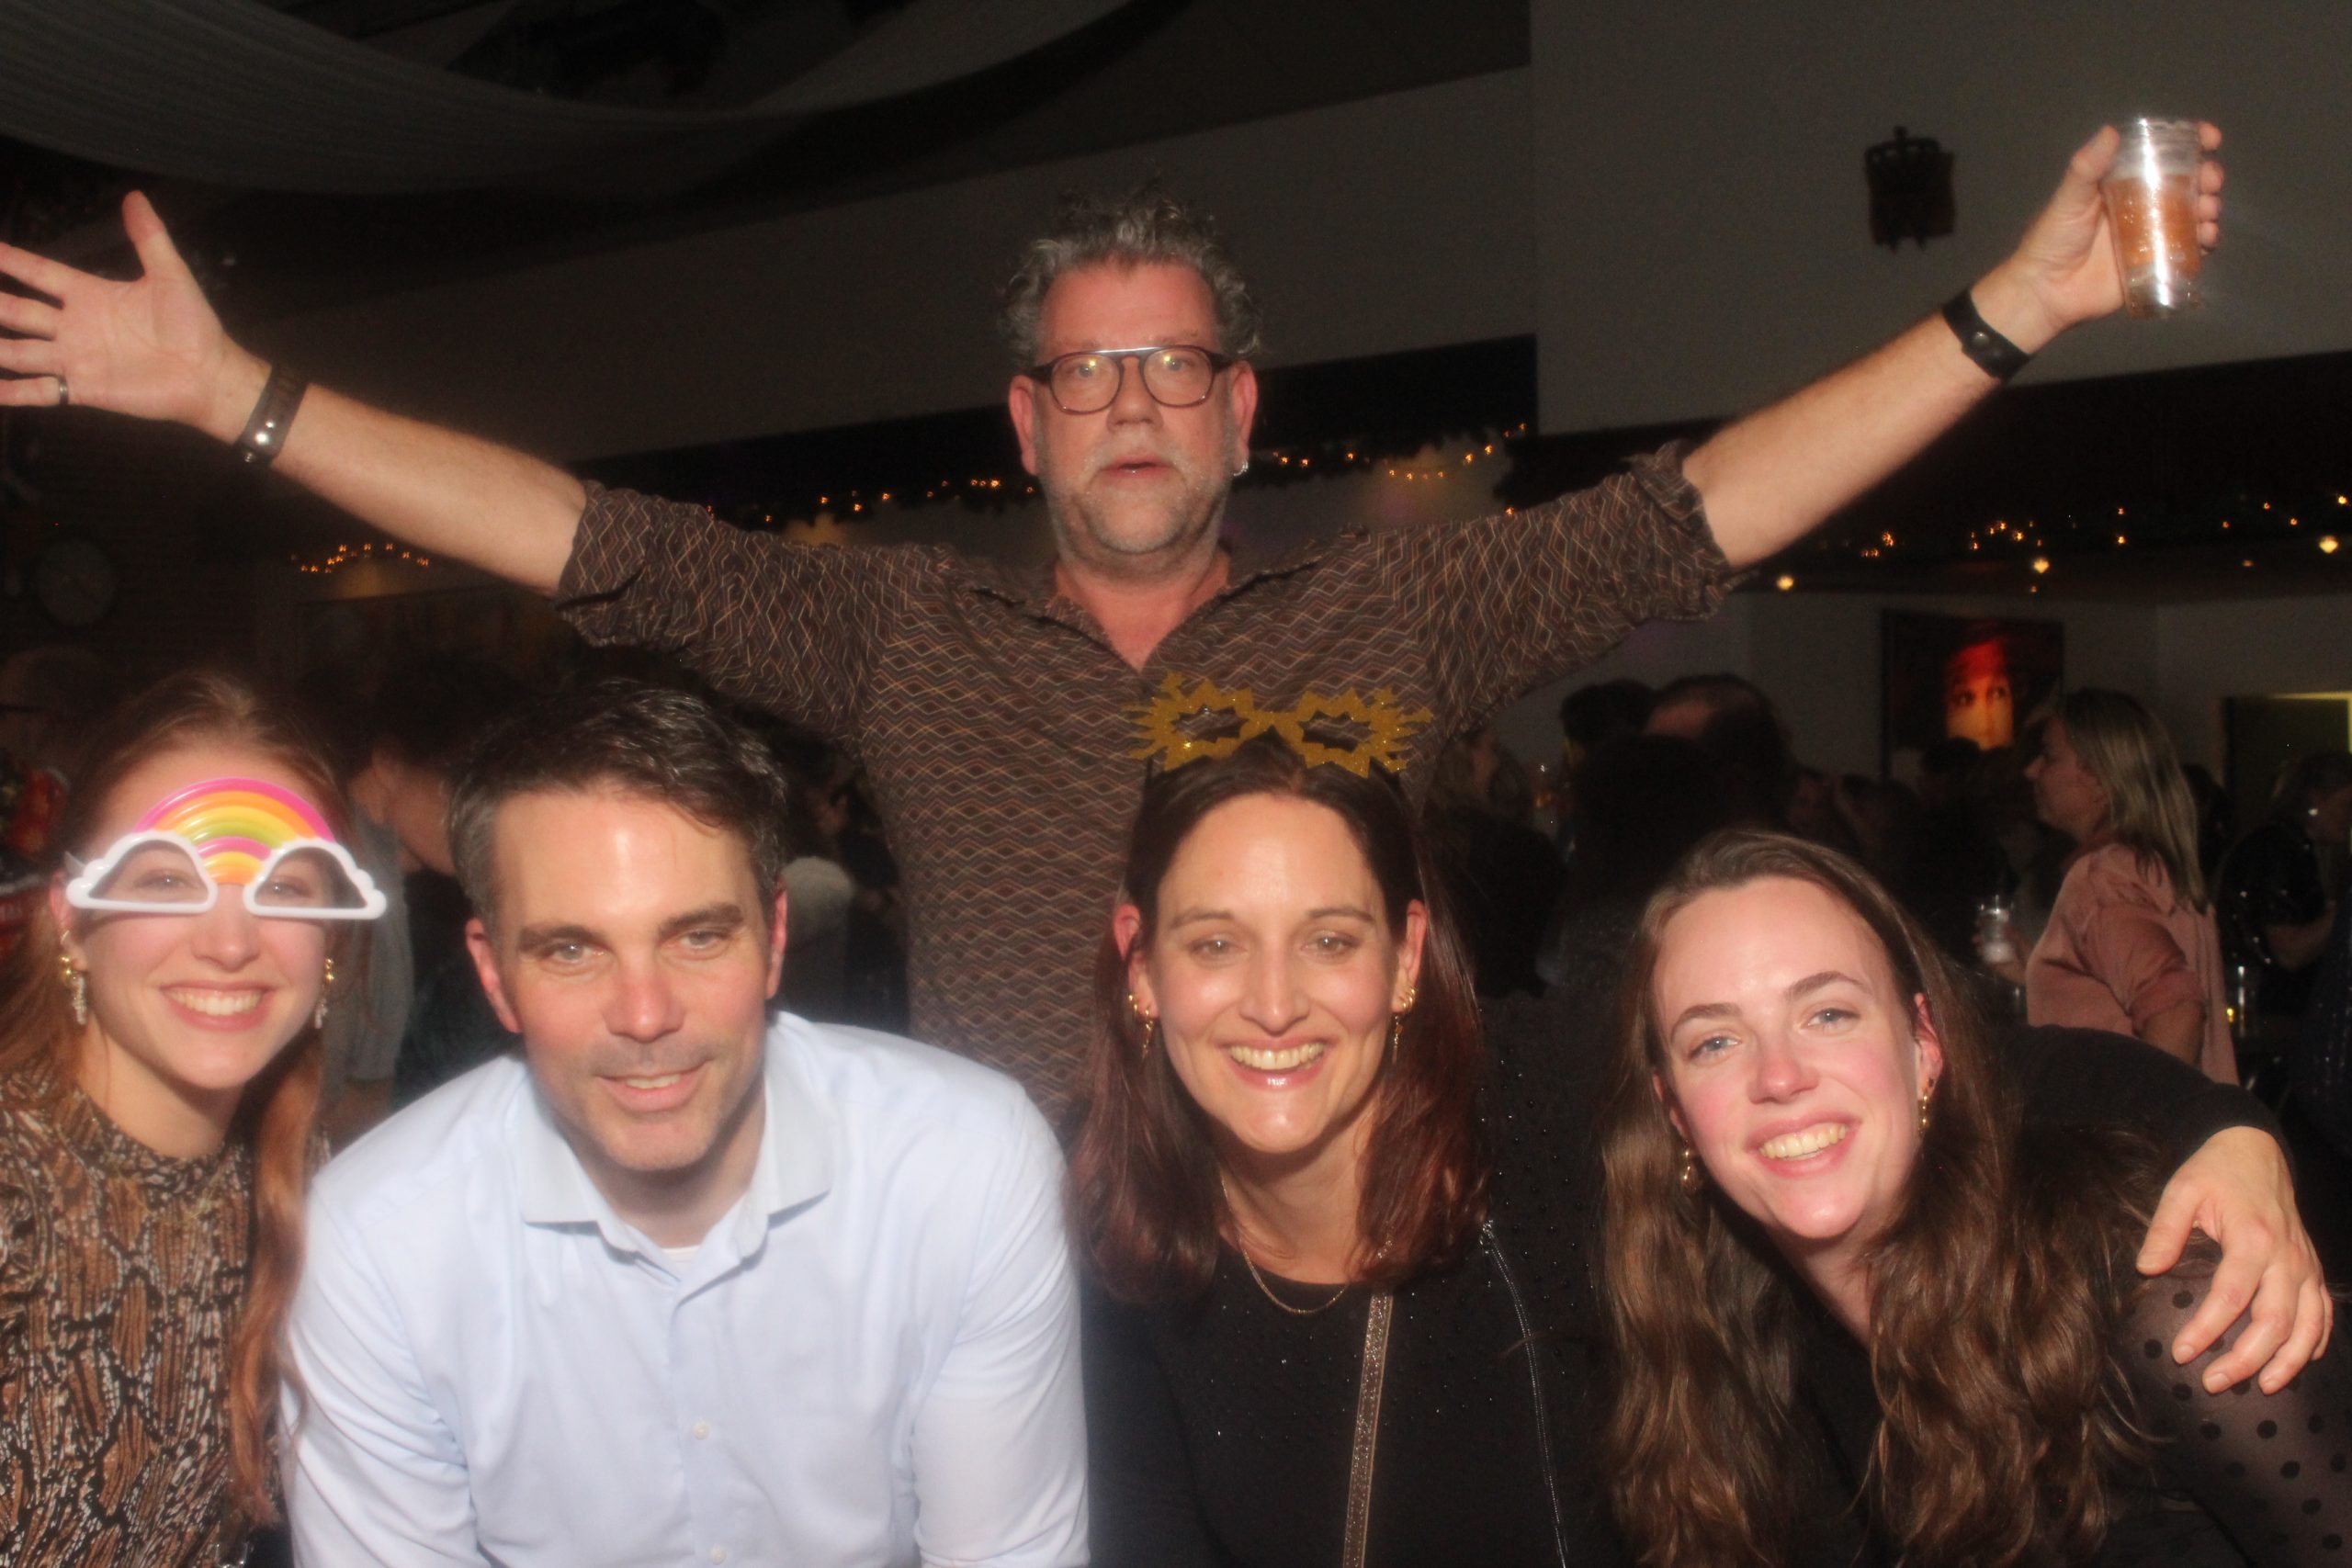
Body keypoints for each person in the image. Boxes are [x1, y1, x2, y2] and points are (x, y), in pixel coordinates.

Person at [0, 129, 2226, 1114]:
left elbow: (1694, 506)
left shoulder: (1392, 607)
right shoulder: (903, 641)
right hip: (1026, 1291)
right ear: (1027, 418)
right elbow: (588, 539)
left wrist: (2007, 308)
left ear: (1240, 411)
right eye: (1089, 370)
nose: (1134, 399)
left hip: (1346, 1256)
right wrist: (241, 401)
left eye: (1174, 365)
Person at [1072, 731, 2327, 1568]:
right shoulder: (1112, 1246)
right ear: (1140, 963)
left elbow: (1961, 1068)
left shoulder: (1531, 1095)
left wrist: (2222, 1129)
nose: (1274, 1001)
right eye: (1215, 942)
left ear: (1404, 959)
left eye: (1330, 939)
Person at [282, 678, 1085, 1566]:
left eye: (697, 937)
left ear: (774, 937)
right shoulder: (376, 1241)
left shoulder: (965, 1166)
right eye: (572, 949)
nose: (645, 1012)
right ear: (495, 975)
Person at [1600, 829, 2347, 1567]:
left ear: (1924, 1046)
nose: (1780, 1076)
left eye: (1828, 1014)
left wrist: (2230, 1128)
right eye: (1715, 1042)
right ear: (1676, 1115)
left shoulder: (2163, 1309)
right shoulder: (1739, 1352)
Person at [0, 669, 387, 1565]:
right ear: (70, 920)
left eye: (285, 888)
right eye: (168, 880)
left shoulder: (311, 1188)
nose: (229, 942)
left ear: (331, 939)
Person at [2018, 689, 2235, 1080]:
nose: (2031, 771)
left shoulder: (2102, 878)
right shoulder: (2150, 868)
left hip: (2127, 1118)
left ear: (2100, 777)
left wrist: (2143, 1117)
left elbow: (2176, 1011)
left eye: (2049, 756)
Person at [2218, 750, 2352, 1023]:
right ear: (2315, 799)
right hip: (2268, 1014)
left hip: (2271, 1010)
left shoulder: (2294, 850)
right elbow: (2289, 951)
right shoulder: (2277, 850)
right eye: (2347, 805)